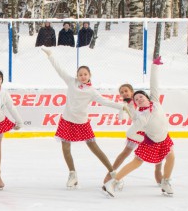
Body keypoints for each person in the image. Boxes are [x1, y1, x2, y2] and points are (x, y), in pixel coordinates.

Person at [41, 48, 125, 189]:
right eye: (80, 74)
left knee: (94, 147)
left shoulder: (91, 91)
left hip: (82, 123)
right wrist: (50, 55)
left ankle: (112, 173)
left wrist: (120, 107)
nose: (83, 76)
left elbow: (105, 101)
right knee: (66, 148)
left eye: (85, 74)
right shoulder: (71, 82)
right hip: (67, 120)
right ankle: (72, 174)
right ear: (77, 76)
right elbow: (59, 69)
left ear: (89, 75)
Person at [104, 57, 176, 197]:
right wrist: (142, 139)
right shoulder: (140, 117)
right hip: (151, 141)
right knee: (136, 162)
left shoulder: (155, 102)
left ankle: (165, 182)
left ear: (147, 97)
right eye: (136, 99)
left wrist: (154, 66)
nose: (138, 99)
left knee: (171, 157)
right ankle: (113, 182)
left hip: (164, 138)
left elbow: (154, 84)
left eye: (140, 96)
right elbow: (130, 133)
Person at [102, 83, 162, 186]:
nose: (124, 93)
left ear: (132, 92)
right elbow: (121, 118)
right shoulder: (126, 105)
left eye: (126, 91)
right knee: (125, 153)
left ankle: (158, 172)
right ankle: (110, 173)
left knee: (159, 151)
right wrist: (123, 107)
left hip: (150, 131)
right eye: (121, 92)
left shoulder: (140, 99)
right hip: (136, 132)